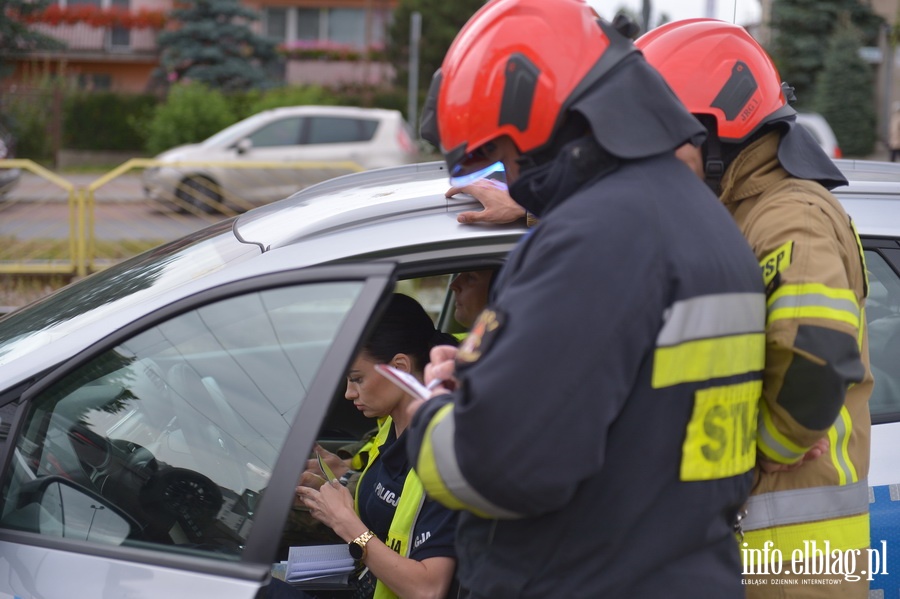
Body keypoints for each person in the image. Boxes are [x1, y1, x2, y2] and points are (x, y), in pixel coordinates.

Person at [404, 1, 768, 597]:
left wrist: (431, 413)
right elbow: (635, 408)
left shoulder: (597, 237)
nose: (511, 176)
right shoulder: (707, 222)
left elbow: (503, 470)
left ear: (546, 127)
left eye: (507, 155)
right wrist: (486, 377)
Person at [635, 19, 873, 595]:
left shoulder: (789, 215)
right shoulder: (737, 208)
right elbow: (623, 225)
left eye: (665, 139)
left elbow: (816, 351)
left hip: (794, 561)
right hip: (759, 548)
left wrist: (761, 449)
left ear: (716, 132)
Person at [269, 293, 460, 599]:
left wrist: (346, 524)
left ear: (399, 367)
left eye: (357, 379)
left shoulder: (448, 453)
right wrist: (334, 489)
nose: (348, 392)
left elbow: (428, 589)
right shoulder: (391, 428)